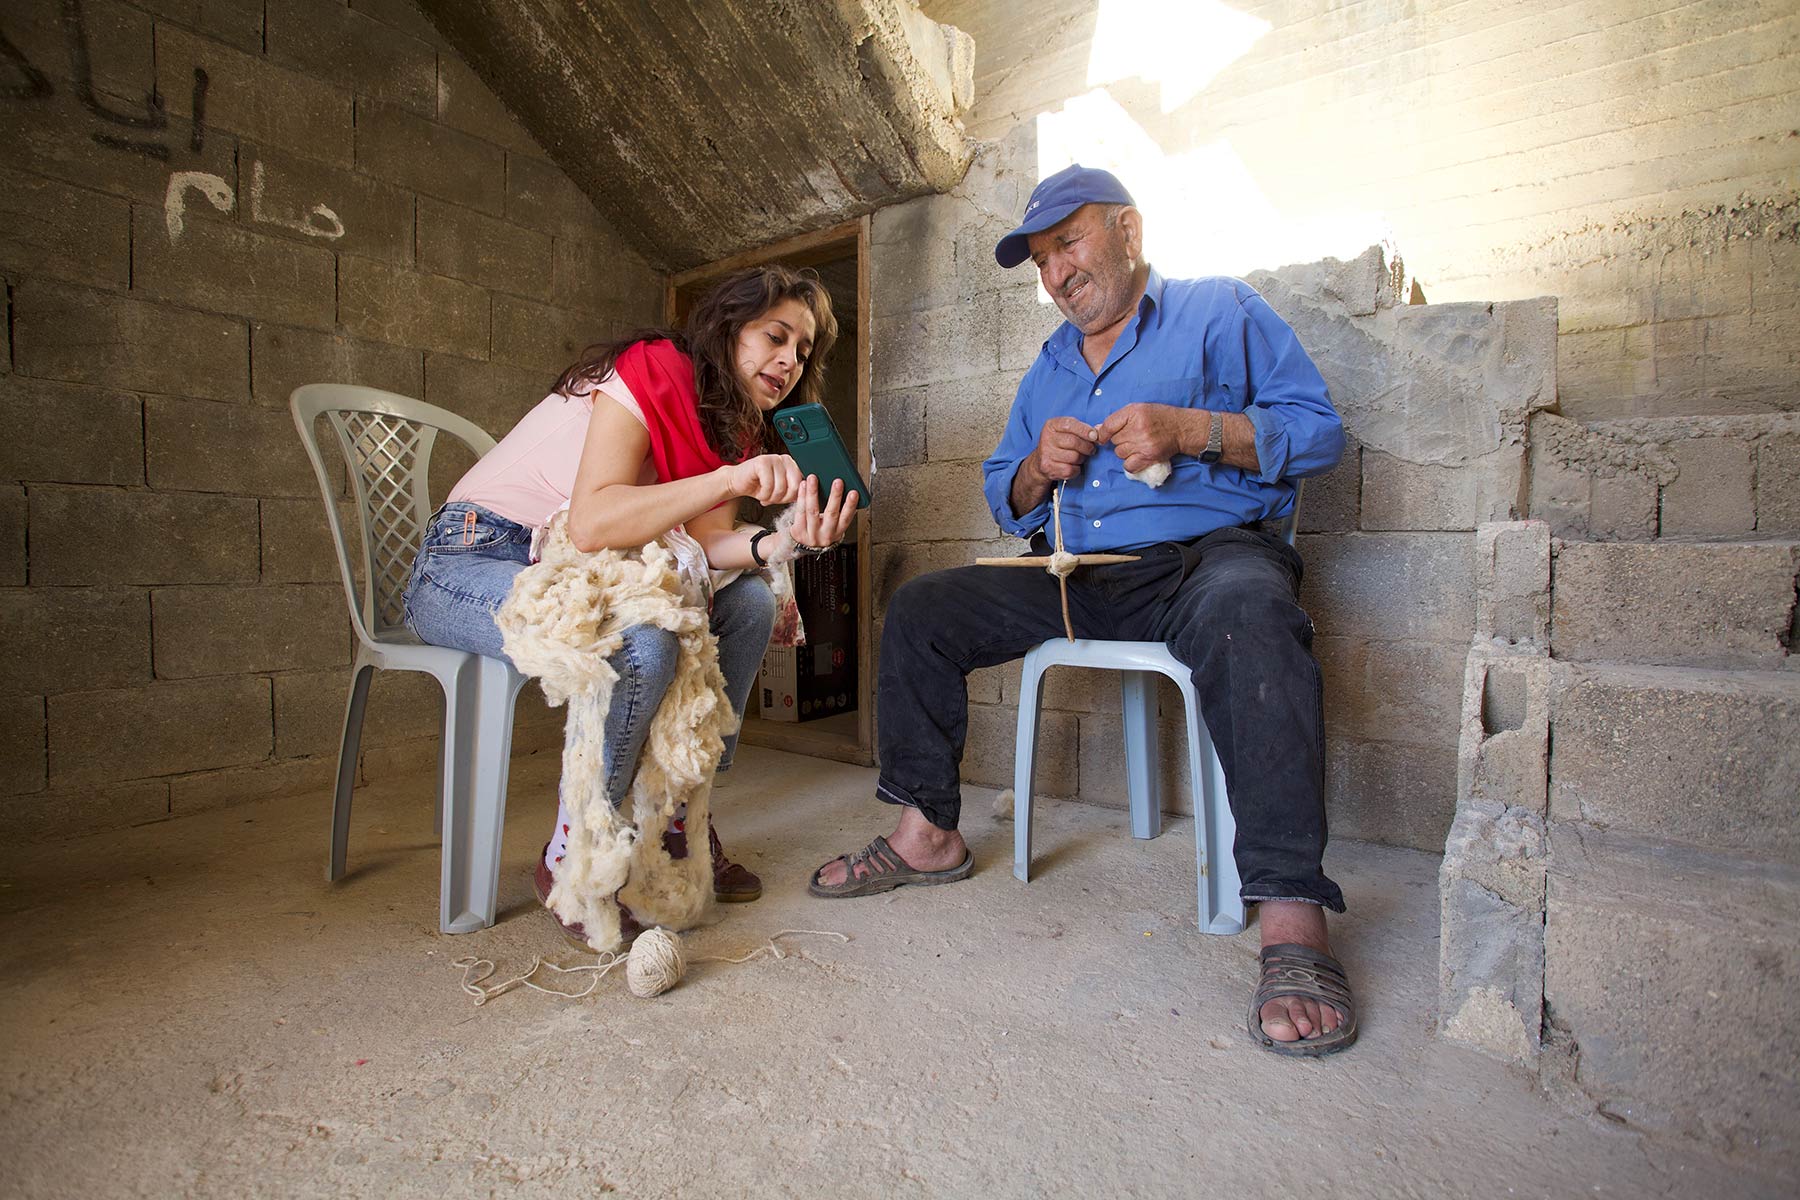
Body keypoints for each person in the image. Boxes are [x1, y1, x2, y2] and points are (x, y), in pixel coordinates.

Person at [809, 165, 1357, 1056]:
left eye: (1068, 243)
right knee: (922, 609)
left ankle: (1293, 916)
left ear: (1128, 232)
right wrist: (1035, 467)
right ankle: (926, 834)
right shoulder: (1051, 364)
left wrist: (1192, 431)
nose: (1056, 274)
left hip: (1206, 563)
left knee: (1251, 616)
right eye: (1039, 261)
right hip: (1077, 572)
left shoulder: (1220, 311)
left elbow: (1320, 431)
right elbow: (1004, 492)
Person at [403, 265, 859, 943]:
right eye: (776, 335)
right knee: (645, 639)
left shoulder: (728, 427)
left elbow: (710, 545)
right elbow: (591, 523)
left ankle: (677, 815)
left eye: (804, 349)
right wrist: (731, 478)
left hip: (565, 572)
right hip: (470, 558)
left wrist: (786, 541)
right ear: (731, 327)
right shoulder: (653, 369)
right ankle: (580, 853)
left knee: (753, 604)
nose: (790, 360)